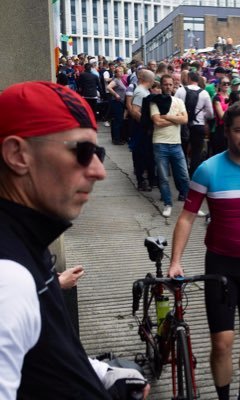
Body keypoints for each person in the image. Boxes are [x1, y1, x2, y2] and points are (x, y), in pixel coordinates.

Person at [0, 81, 149, 399]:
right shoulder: (8, 280)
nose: (99, 171)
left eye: (99, 152)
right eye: (83, 152)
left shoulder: (24, 239)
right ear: (17, 155)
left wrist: (100, 374)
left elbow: (43, 349)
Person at [168, 102, 240, 400]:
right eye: (239, 131)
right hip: (220, 266)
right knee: (221, 343)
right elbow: (186, 217)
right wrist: (176, 262)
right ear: (226, 131)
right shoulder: (207, 169)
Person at [150, 74, 190, 217]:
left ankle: (191, 205)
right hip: (160, 143)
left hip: (176, 144)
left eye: (170, 84)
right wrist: (176, 119)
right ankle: (167, 204)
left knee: (184, 176)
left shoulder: (178, 101)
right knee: (164, 177)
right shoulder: (155, 102)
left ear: (174, 86)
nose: (168, 87)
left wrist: (166, 117)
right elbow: (157, 122)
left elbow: (185, 119)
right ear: (161, 86)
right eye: (165, 84)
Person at [175, 71, 214, 177]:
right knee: (196, 152)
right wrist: (203, 114)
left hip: (182, 125)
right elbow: (210, 113)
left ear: (188, 78)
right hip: (199, 125)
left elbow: (174, 107)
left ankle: (182, 174)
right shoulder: (204, 93)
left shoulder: (180, 90)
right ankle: (193, 176)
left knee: (182, 150)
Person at [126, 68, 156, 191]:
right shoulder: (140, 92)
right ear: (150, 80)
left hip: (142, 129)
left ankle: (147, 179)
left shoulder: (143, 91)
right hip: (141, 130)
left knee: (146, 155)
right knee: (141, 155)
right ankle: (141, 180)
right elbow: (134, 111)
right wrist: (147, 124)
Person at [107, 66, 126, 145]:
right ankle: (116, 139)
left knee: (118, 121)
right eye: (119, 71)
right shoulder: (116, 80)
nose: (121, 73)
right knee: (117, 121)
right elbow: (108, 87)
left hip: (120, 103)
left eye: (122, 71)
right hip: (116, 102)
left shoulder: (120, 80)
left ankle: (117, 138)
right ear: (116, 73)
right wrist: (116, 95)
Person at [211, 77, 230, 154]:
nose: (226, 85)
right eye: (224, 83)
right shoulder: (217, 98)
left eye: (228, 83)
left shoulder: (230, 97)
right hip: (220, 130)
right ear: (219, 85)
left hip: (229, 128)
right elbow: (221, 116)